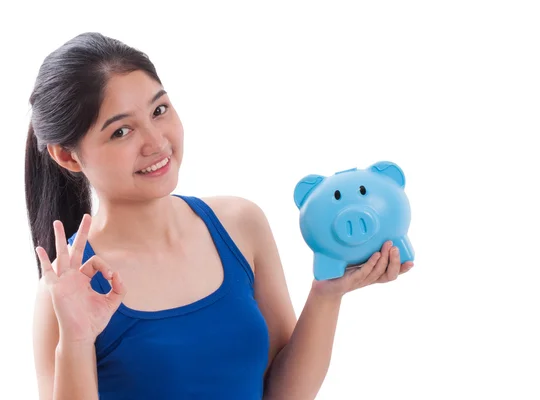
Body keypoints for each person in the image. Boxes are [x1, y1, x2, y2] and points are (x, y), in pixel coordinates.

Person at [26, 32, 414, 400]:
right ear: (67, 155)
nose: (157, 142)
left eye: (159, 110)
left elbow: (283, 394)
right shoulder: (68, 288)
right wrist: (75, 342)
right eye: (122, 131)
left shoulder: (240, 224)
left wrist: (328, 294)